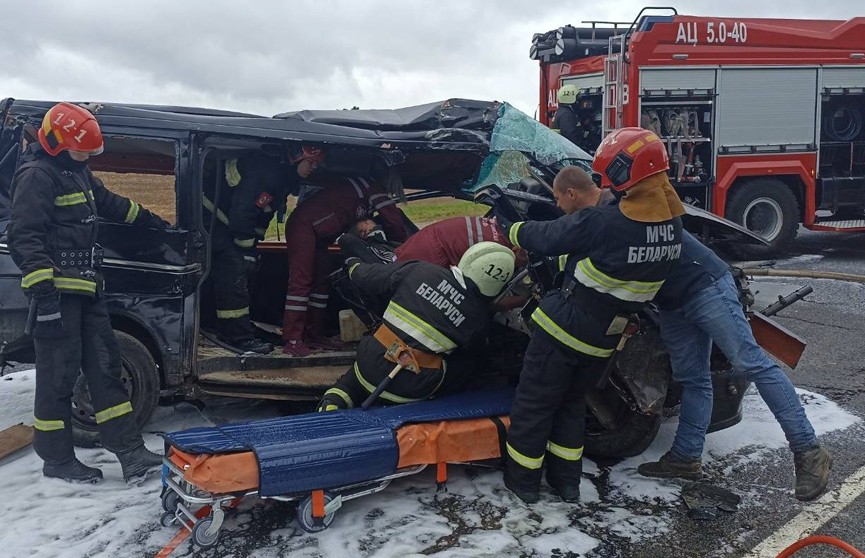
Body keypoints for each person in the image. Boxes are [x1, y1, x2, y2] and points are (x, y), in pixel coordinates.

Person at [500, 128, 685, 504]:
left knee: (534, 405)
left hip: (563, 331)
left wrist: (513, 229)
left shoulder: (605, 222)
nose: (608, 182)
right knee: (570, 405)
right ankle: (567, 483)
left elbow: (549, 237)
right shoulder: (673, 227)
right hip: (604, 342)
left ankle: (523, 483)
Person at [7, 102, 168, 484]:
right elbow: (24, 237)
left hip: (87, 289)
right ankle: (58, 460)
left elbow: (110, 204)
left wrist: (151, 221)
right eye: (80, 150)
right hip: (58, 296)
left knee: (105, 365)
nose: (85, 156)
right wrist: (44, 294)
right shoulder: (37, 176)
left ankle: (129, 452)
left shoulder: (74, 170)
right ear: (54, 142)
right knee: (57, 379)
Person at [637, 232, 833, 501]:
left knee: (752, 364)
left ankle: (809, 451)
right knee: (692, 378)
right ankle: (685, 457)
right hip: (672, 301)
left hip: (706, 287)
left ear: (574, 194)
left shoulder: (624, 211)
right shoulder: (600, 218)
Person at [317, 241, 515, 410]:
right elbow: (476, 353)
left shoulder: (420, 271)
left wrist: (352, 263)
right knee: (469, 364)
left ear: (467, 259)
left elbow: (363, 276)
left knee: (352, 382)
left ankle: (334, 400)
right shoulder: (478, 318)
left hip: (368, 363)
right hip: (412, 389)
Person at [282, 170, 409, 356]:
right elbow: (393, 219)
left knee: (321, 284)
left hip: (319, 235)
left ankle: (314, 334)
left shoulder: (363, 187)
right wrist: (402, 246)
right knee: (301, 283)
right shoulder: (371, 187)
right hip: (303, 227)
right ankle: (292, 340)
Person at [203, 148, 310, 353]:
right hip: (212, 220)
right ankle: (237, 338)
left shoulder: (282, 175)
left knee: (244, 266)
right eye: (311, 162)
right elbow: (242, 215)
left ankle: (240, 327)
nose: (315, 168)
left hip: (227, 223)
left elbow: (258, 219)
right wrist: (246, 251)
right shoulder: (268, 175)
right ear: (296, 158)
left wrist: (253, 248)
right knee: (234, 268)